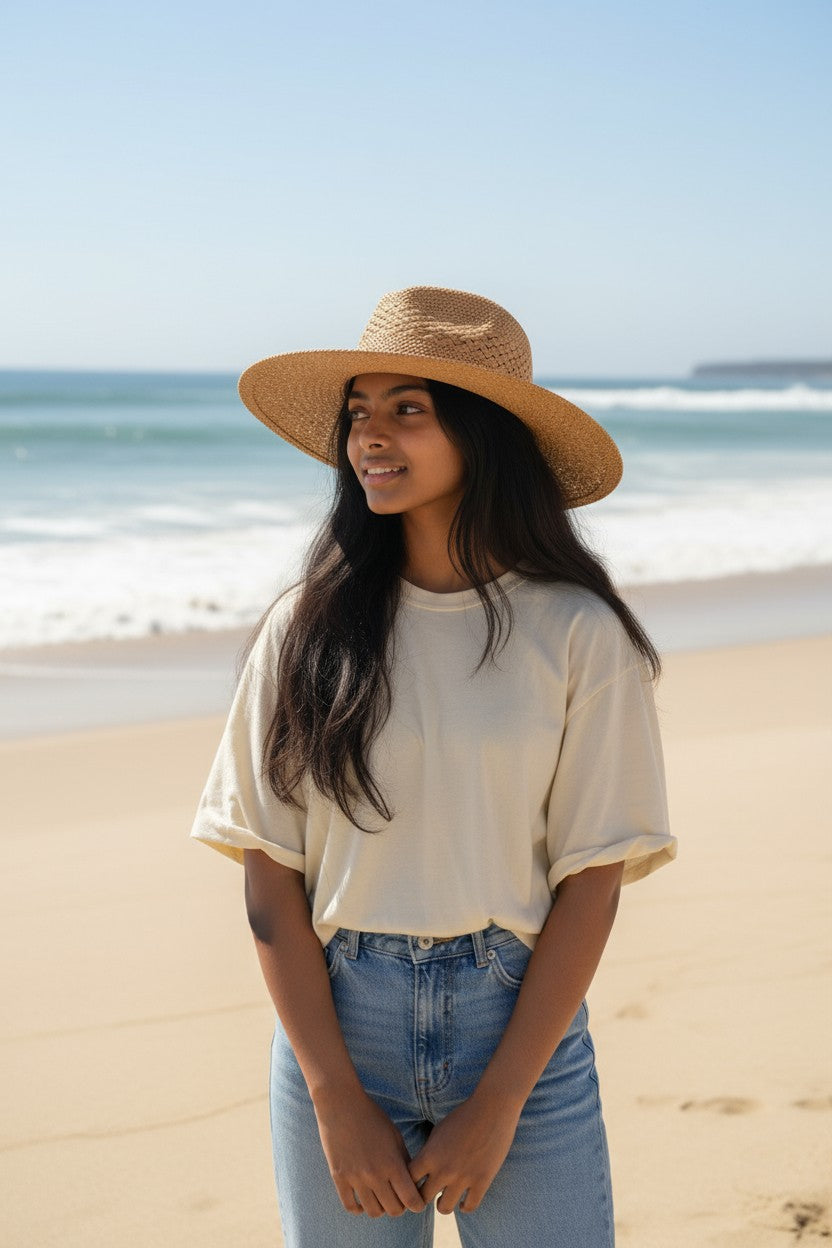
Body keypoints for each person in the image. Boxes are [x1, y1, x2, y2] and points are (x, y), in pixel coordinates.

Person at [191, 286, 677, 1247]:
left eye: (407, 409)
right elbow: (268, 873)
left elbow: (593, 881)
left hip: (521, 1031)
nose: (371, 435)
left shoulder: (578, 634)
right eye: (358, 413)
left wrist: (500, 1104)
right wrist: (333, 1097)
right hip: (339, 1025)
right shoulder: (305, 630)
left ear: (483, 432)